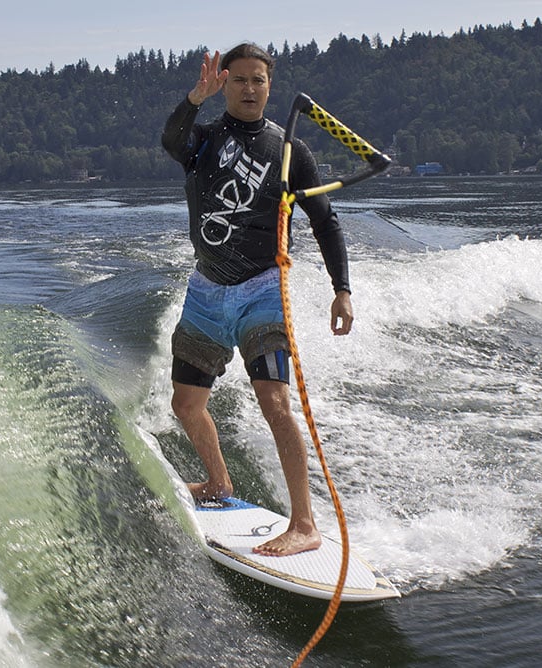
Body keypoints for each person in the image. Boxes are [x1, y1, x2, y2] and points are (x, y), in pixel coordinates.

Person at [160, 43, 353, 557]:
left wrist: (342, 289)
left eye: (258, 80)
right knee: (186, 403)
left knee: (273, 400)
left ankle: (305, 523)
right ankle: (219, 484)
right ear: (225, 83)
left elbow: (326, 223)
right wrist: (192, 100)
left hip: (262, 290)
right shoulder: (202, 141)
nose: (249, 89)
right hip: (206, 289)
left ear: (271, 86)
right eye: (239, 79)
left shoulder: (291, 152)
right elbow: (170, 139)